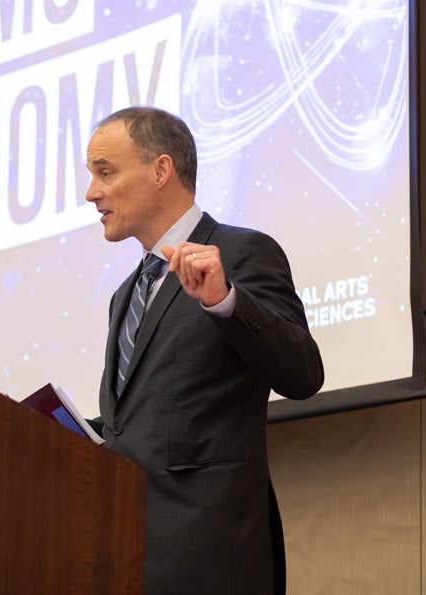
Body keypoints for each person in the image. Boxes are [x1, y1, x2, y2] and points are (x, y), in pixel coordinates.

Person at [85, 106, 324, 594]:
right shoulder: (124, 296)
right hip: (127, 561)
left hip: (211, 559)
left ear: (161, 170)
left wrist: (226, 302)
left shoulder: (243, 254)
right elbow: (137, 428)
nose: (91, 192)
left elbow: (303, 374)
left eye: (104, 172)